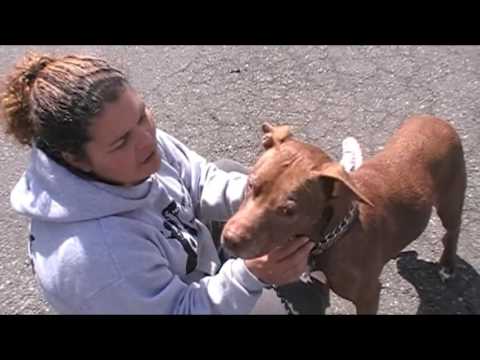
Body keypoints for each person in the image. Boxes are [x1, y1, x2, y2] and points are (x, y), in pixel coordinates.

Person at [1, 52, 362, 314]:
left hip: (189, 264)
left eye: (142, 115)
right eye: (121, 141)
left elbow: (200, 178)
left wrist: (270, 195)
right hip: (174, 305)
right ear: (74, 158)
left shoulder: (135, 145)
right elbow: (180, 310)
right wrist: (252, 276)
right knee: (296, 302)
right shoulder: (96, 259)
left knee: (233, 174)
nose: (147, 139)